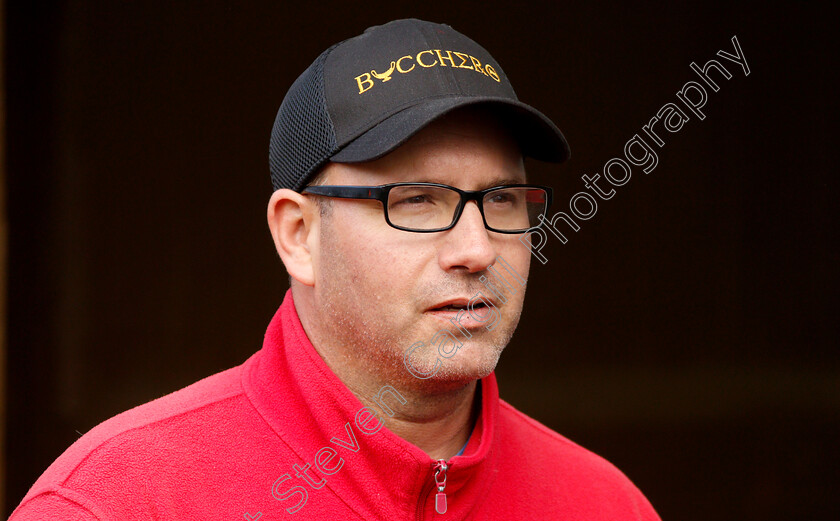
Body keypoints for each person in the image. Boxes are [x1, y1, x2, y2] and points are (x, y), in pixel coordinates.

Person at [10, 19, 660, 520]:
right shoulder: (118, 501)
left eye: (501, 201)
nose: (477, 249)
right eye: (416, 201)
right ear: (298, 234)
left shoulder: (603, 502)